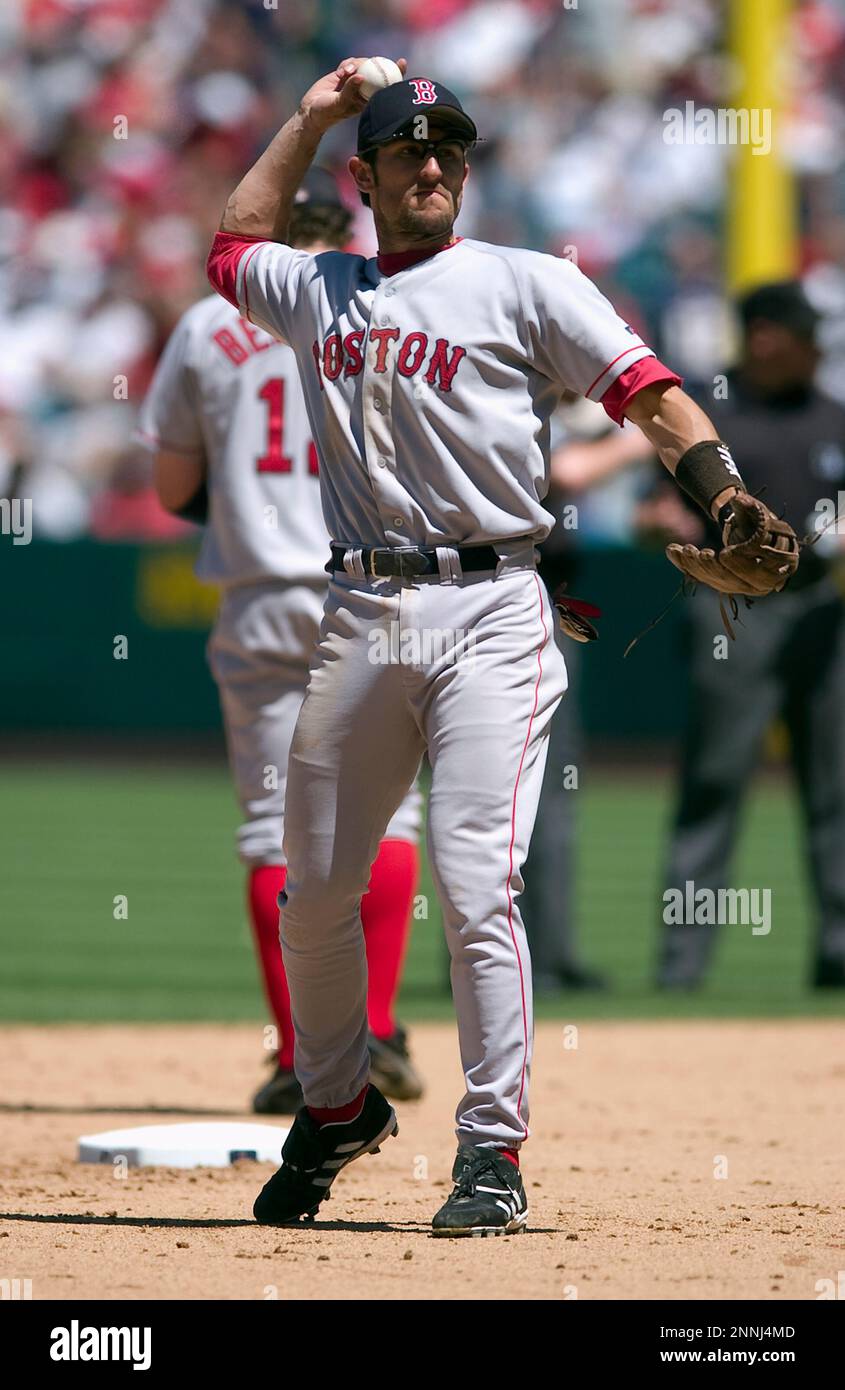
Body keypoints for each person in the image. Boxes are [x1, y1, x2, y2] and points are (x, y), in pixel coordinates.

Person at [206, 59, 794, 1236]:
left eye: (449, 148)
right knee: (311, 896)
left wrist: (720, 491)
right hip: (359, 614)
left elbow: (649, 392)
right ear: (365, 174)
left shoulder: (526, 283)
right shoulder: (319, 286)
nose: (431, 163)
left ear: (464, 169)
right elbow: (229, 246)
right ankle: (335, 1105)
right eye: (407, 149)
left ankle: (490, 1150)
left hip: (492, 608)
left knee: (478, 882)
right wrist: (313, 115)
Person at [138, 168, 425, 1115]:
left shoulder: (206, 328)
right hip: (381, 581)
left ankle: (307, 1058)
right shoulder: (385, 301)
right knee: (392, 818)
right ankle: (375, 1030)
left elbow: (174, 484)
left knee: (273, 826)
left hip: (264, 594)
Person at [651, 282, 845, 989]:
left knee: (834, 789)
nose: (807, 346)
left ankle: (837, 956)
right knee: (713, 779)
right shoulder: (715, 419)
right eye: (792, 332)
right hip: (731, 612)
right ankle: (681, 967)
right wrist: (663, 527)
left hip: (819, 610)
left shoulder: (833, 417)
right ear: (761, 336)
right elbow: (661, 506)